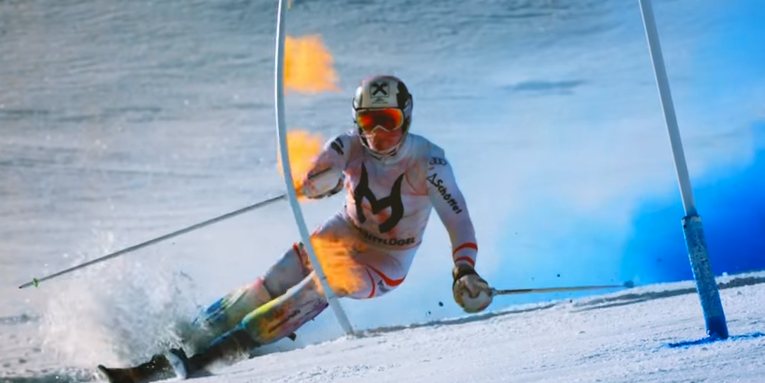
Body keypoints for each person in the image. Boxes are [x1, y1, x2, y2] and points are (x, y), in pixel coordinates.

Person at [97, 75, 494, 383]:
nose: (377, 135)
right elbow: (322, 168)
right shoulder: (349, 144)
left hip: (386, 259)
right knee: (265, 286)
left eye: (387, 122)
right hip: (345, 230)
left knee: (319, 284)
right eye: (367, 122)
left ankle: (207, 361)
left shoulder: (430, 162)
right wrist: (318, 181)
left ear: (406, 117)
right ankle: (158, 360)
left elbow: (457, 218)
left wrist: (464, 269)